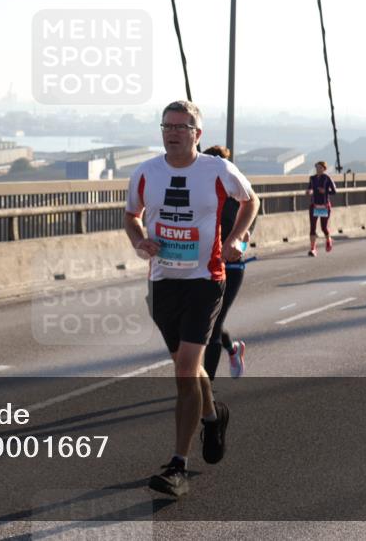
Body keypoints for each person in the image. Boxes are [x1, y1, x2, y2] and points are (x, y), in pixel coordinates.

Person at [125, 101, 259, 498]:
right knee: (190, 367)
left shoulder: (217, 170)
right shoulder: (146, 172)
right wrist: (139, 240)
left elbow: (251, 201)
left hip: (205, 279)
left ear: (197, 134)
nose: (173, 132)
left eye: (182, 127)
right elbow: (132, 214)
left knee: (185, 368)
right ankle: (213, 415)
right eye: (167, 125)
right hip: (163, 281)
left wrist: (234, 239)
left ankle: (178, 465)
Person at [201, 145, 249, 380]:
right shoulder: (199, 192)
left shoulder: (239, 196)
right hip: (202, 266)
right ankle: (233, 349)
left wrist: (235, 246)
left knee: (215, 322)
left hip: (230, 267)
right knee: (205, 323)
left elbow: (246, 236)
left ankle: (205, 387)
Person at [306, 161, 337, 257]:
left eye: (320, 168)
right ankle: (313, 249)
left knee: (324, 227)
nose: (318, 169)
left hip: (324, 206)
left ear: (324, 169)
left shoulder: (327, 178)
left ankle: (328, 239)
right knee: (312, 228)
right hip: (314, 205)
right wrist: (309, 192)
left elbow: (334, 191)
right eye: (316, 167)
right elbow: (310, 188)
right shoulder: (312, 178)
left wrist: (325, 191)